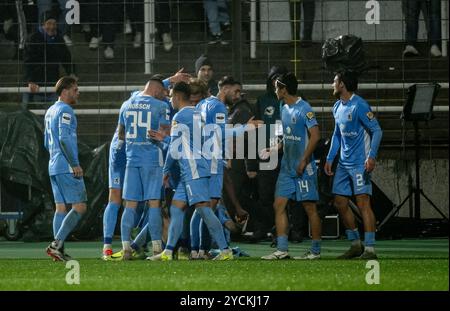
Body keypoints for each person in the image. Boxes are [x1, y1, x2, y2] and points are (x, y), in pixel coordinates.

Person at [148, 82, 233, 261]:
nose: (170, 99)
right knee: (177, 208)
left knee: (204, 210)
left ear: (177, 96)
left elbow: (175, 147)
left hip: (193, 169)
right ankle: (169, 251)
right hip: (193, 168)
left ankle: (225, 251)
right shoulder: (198, 113)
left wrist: (165, 169)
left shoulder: (180, 116)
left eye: (171, 96)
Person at [261, 72, 322, 260]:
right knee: (278, 205)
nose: (274, 90)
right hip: (287, 168)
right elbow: (286, 137)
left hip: (303, 168)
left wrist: (304, 160)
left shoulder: (305, 108)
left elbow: (316, 136)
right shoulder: (283, 106)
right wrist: (273, 149)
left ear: (284, 89)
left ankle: (316, 251)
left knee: (309, 208)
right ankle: (282, 249)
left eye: (276, 87)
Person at [324, 71, 382, 260]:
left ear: (342, 84)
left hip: (359, 163)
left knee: (363, 203)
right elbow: (337, 135)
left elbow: (377, 131)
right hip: (343, 163)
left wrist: (371, 156)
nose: (332, 84)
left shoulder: (360, 105)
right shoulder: (336, 106)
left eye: (334, 81)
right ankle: (356, 244)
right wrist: (330, 158)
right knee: (340, 202)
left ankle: (371, 249)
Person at [116, 76, 171, 260]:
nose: (164, 96)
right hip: (152, 160)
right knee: (153, 204)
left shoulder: (126, 104)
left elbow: (121, 134)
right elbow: (166, 133)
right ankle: (156, 249)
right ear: (156, 90)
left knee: (130, 205)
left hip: (132, 160)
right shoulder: (160, 106)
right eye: (163, 92)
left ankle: (125, 249)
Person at [44, 76, 86, 261]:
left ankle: (58, 251)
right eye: (75, 89)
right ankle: (56, 244)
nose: (78, 93)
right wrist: (74, 163)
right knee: (80, 206)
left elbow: (47, 142)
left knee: (60, 208)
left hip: (53, 164)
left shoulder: (50, 111)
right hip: (66, 165)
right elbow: (64, 138)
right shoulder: (66, 110)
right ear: (65, 91)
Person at [250, 65, 287, 242]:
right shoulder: (262, 100)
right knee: (264, 195)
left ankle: (292, 230)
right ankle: (264, 228)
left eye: (280, 78)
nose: (277, 82)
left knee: (290, 196)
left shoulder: (293, 100)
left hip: (288, 154)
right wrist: (252, 160)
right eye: (274, 78)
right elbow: (253, 130)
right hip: (267, 154)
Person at [23, 10, 74, 110]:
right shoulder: (32, 39)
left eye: (54, 24)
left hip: (52, 85)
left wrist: (72, 72)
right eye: (49, 23)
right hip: (34, 86)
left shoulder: (58, 39)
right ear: (42, 24)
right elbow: (28, 62)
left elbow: (66, 58)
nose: (52, 27)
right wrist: (30, 81)